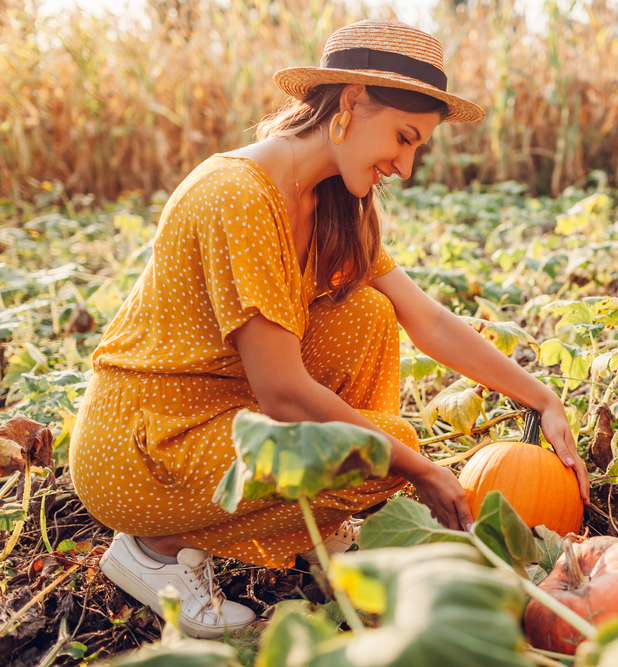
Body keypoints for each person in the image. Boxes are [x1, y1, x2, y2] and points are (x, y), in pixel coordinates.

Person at [69, 19, 589, 639]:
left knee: (369, 314)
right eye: (403, 137)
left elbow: (425, 319)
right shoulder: (236, 192)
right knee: (381, 456)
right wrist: (418, 469)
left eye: (418, 146)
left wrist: (542, 396)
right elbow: (284, 393)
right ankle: (153, 552)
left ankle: (309, 527)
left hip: (221, 415)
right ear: (352, 99)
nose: (406, 164)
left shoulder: (328, 204)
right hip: (143, 446)